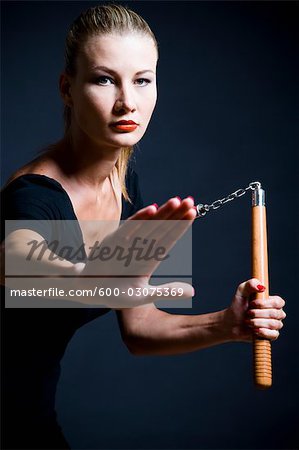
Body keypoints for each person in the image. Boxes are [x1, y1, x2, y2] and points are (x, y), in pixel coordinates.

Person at [1, 4, 286, 449]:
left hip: (30, 415)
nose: (127, 102)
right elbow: (15, 261)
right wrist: (98, 277)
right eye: (103, 79)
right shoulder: (35, 194)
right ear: (67, 89)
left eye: (142, 80)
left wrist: (228, 325)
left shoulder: (123, 183)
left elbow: (139, 329)